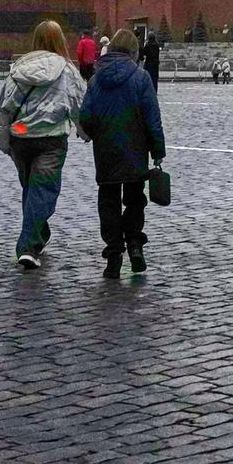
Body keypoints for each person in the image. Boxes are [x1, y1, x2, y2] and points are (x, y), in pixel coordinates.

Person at [0, 20, 86, 270]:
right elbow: (79, 105)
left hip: (21, 138)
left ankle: (39, 235)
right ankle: (29, 247)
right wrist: (84, 131)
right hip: (51, 139)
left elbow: (5, 106)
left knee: (31, 188)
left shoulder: (20, 68)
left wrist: (4, 140)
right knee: (43, 190)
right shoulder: (67, 71)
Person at [79, 28, 166, 279]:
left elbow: (85, 116)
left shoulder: (96, 79)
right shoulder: (141, 78)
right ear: (134, 51)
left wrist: (98, 132)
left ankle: (114, 256)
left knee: (108, 202)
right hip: (135, 151)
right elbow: (153, 118)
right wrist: (158, 150)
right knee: (135, 199)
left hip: (105, 152)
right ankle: (135, 245)